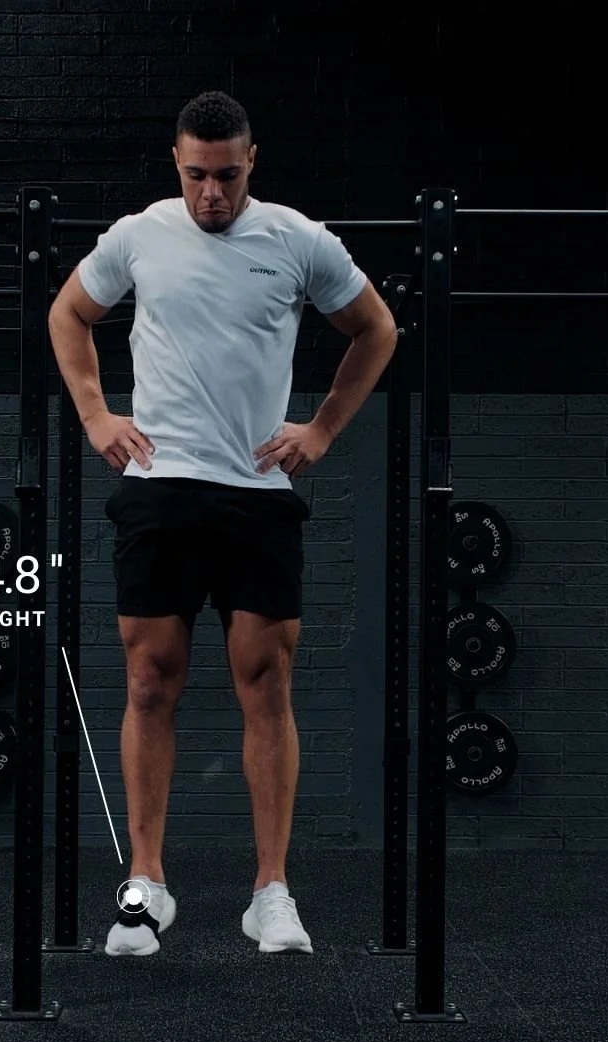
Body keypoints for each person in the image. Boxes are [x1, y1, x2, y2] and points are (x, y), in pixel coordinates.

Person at [47, 91, 398, 958]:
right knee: (148, 682)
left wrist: (322, 430)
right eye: (198, 175)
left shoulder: (298, 240)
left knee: (266, 684)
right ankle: (147, 889)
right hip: (160, 489)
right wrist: (95, 416)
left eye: (228, 176)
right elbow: (69, 313)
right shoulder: (140, 234)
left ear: (252, 163)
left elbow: (375, 329)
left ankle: (270, 892)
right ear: (177, 162)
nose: (213, 193)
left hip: (256, 495)